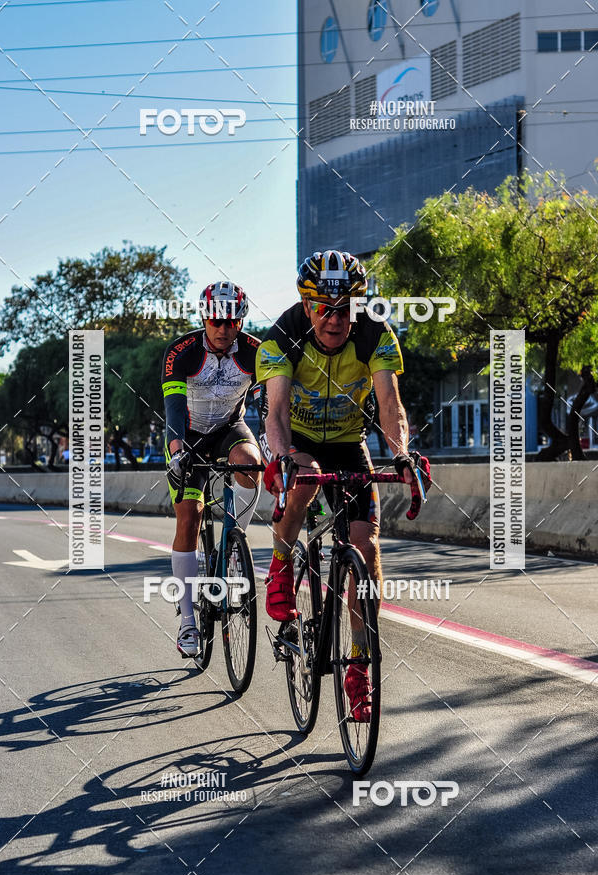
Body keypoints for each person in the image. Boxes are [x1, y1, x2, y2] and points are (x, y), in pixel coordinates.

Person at [256, 250, 430, 721]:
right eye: (324, 309)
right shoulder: (283, 336)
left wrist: (401, 454)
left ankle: (358, 664)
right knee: (305, 481)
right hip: (299, 439)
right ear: (307, 306)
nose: (335, 319)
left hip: (350, 442)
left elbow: (390, 404)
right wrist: (282, 459)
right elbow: (275, 414)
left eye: (346, 308)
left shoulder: (375, 334)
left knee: (365, 547)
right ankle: (280, 566)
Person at [162, 281, 262, 657]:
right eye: (216, 321)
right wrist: (177, 452)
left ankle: (233, 548)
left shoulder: (255, 352)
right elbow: (173, 410)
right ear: (205, 319)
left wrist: (274, 446)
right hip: (188, 435)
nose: (223, 329)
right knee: (189, 517)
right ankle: (188, 622)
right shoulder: (182, 352)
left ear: (240, 322)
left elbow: (270, 402)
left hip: (229, 429)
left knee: (251, 465)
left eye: (231, 322)